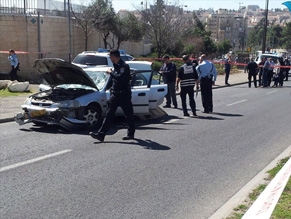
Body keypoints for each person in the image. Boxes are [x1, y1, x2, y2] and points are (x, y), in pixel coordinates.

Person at [90, 49, 135, 142]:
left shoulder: (124, 66)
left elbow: (119, 78)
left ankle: (131, 133)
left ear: (114, 56)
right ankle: (101, 134)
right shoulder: (116, 66)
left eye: (110, 56)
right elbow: (114, 80)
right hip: (115, 94)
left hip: (124, 95)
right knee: (109, 115)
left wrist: (111, 72)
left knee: (129, 114)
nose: (110, 58)